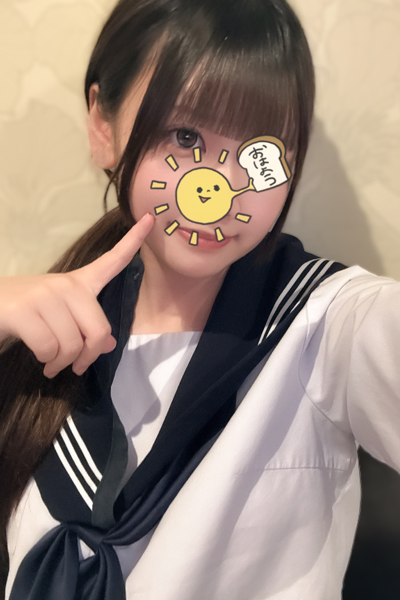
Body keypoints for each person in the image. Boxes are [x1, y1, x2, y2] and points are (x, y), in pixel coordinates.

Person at [0, 0, 399, 598]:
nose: (220, 191)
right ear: (103, 126)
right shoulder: (40, 330)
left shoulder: (324, 324)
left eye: (260, 153)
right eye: (185, 136)